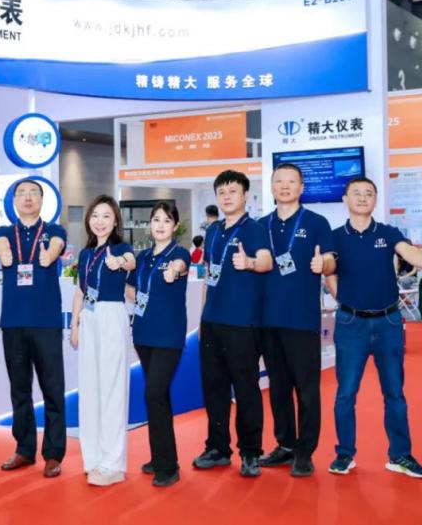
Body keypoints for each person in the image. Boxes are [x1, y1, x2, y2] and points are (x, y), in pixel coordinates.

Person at [327, 176, 422, 478]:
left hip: (389, 321)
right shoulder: (335, 236)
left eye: (368, 193)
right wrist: (343, 297)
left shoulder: (388, 232)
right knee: (346, 393)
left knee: (394, 392)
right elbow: (329, 268)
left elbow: (407, 251)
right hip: (351, 323)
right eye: (356, 193)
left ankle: (400, 455)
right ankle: (344, 454)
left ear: (375, 200)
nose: (362, 198)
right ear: (345, 199)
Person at [256, 163, 335, 477]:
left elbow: (332, 259)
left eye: (291, 181)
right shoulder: (261, 225)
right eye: (279, 181)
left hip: (301, 320)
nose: (285, 186)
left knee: (307, 390)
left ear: (302, 188)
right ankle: (286, 445)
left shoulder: (316, 222)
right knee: (277, 388)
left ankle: (305, 451)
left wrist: (323, 263)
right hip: (268, 320)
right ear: (272, 187)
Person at [194, 170, 272, 477]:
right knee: (214, 388)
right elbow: (208, 275)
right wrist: (202, 317)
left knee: (246, 389)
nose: (227, 197)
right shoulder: (213, 231)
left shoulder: (254, 229)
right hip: (212, 321)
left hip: (242, 323)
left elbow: (266, 260)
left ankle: (250, 452)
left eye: (233, 191)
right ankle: (217, 448)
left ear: (245, 196)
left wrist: (249, 263)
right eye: (222, 192)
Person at [0, 179, 67, 479]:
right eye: (21, 193)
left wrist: (51, 253)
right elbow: (1, 246)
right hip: (13, 323)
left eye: (33, 193)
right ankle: (24, 449)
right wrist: (3, 252)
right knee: (19, 389)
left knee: (53, 389)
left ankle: (53, 453)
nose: (27, 198)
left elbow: (57, 245)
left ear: (42, 199)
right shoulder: (3, 232)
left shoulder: (54, 230)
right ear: (13, 201)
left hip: (46, 323)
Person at [69, 195, 136, 487]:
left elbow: (131, 262)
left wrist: (119, 261)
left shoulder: (122, 248)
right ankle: (93, 457)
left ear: (116, 220)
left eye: (106, 216)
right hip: (89, 319)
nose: (100, 221)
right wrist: (74, 325)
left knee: (112, 388)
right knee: (91, 388)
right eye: (95, 215)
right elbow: (80, 292)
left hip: (111, 316)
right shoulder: (85, 254)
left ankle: (113, 463)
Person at [125, 201, 191, 487]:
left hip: (168, 337)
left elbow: (181, 267)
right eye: (156, 220)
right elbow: (130, 287)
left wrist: (174, 271)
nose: (160, 225)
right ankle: (160, 457)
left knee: (154, 394)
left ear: (174, 226)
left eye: (166, 220)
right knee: (157, 396)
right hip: (143, 335)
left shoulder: (180, 253)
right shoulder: (142, 257)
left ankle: (169, 466)